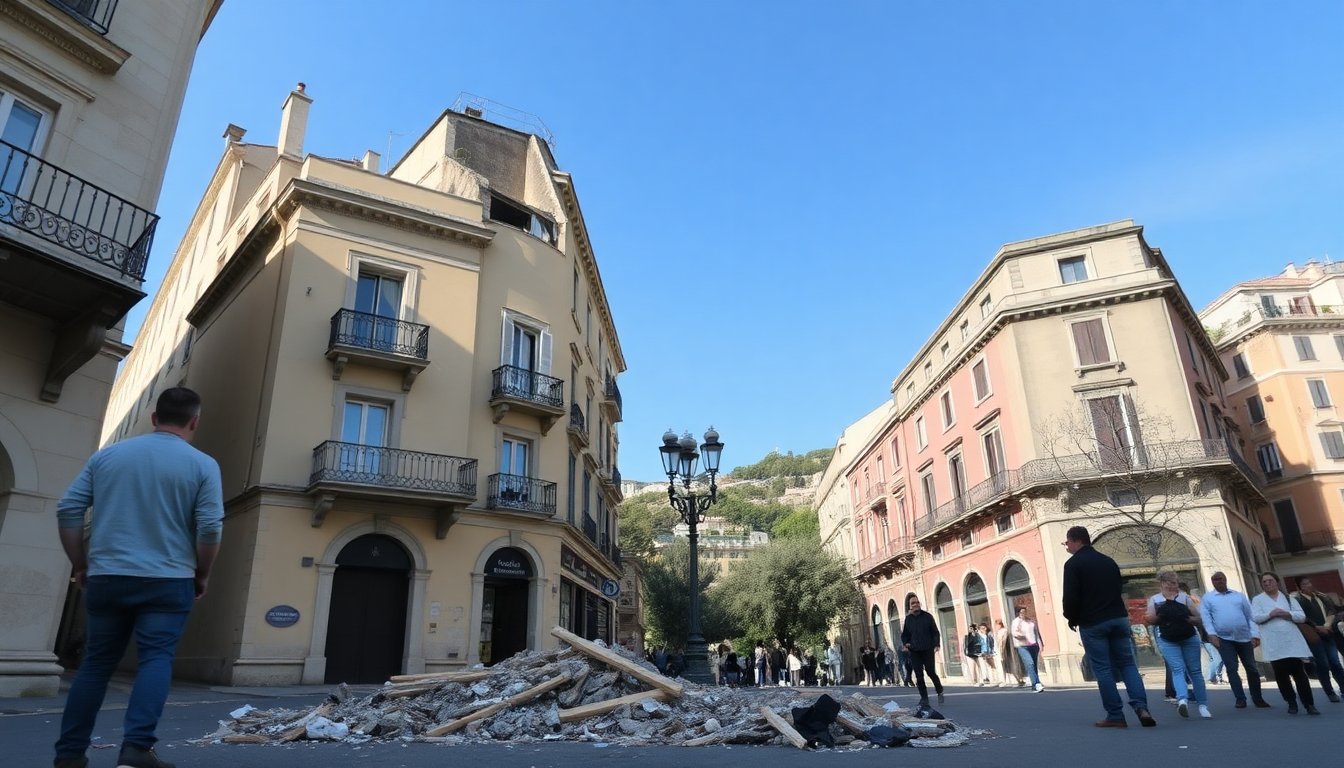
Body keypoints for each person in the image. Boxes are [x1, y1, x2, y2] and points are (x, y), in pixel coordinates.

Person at [53, 388, 225, 768]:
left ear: (153, 418)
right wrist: (202, 573)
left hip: (107, 576)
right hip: (169, 579)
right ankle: (135, 750)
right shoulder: (202, 464)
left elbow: (68, 509)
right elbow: (210, 527)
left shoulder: (108, 457)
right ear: (194, 421)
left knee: (96, 664)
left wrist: (79, 564)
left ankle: (68, 755)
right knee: (155, 660)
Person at [1061, 525, 1155, 728]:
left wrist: (1071, 618)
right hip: (1119, 618)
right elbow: (1119, 588)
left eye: (1067, 542)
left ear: (1076, 541)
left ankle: (1115, 715)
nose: (1066, 546)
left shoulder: (1073, 565)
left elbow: (1070, 598)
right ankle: (1142, 707)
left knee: (1103, 668)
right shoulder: (1108, 561)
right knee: (1128, 665)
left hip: (1093, 622)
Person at [1199, 571, 1270, 709]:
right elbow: (1206, 619)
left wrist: (1255, 634)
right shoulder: (1208, 598)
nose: (1218, 581)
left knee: (1252, 668)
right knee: (1232, 669)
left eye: (1220, 579)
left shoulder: (1239, 596)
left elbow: (1251, 616)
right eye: (1214, 580)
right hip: (1224, 639)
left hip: (1244, 638)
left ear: (1225, 579)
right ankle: (1240, 698)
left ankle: (1258, 698)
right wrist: (1212, 634)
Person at [1251, 572, 1318, 715]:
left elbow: (1301, 616)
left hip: (1292, 641)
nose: (1267, 583)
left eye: (1270, 580)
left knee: (1299, 673)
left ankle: (1309, 704)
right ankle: (1291, 702)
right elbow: (1256, 618)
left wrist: (1287, 614)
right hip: (1274, 642)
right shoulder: (1258, 600)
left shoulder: (1288, 598)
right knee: (1281, 675)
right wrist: (1271, 614)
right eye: (1264, 582)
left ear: (1277, 582)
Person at [1145, 571, 1210, 719]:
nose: (1174, 586)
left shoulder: (1184, 597)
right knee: (1177, 669)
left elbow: (1198, 618)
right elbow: (1150, 619)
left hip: (1189, 637)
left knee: (1195, 671)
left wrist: (1187, 617)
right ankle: (1182, 700)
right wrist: (1162, 615)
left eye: (1175, 583)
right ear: (1163, 583)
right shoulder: (1155, 599)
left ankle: (1202, 704)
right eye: (1171, 583)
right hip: (1168, 638)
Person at [1291, 577, 1344, 703]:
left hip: (1328, 633)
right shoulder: (1297, 600)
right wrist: (1316, 627)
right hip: (1313, 636)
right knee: (1323, 664)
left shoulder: (1321, 597)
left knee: (1335, 662)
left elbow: (1331, 610)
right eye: (1304, 584)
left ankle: (1343, 689)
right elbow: (1302, 617)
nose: (1308, 585)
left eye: (1309, 582)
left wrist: (1327, 625)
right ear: (1300, 587)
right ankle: (1329, 691)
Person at [900, 595, 944, 705]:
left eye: (917, 602)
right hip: (914, 650)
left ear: (920, 604)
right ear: (910, 606)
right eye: (913, 603)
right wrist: (906, 643)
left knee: (930, 672)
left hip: (927, 648)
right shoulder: (908, 619)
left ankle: (939, 690)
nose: (915, 605)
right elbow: (905, 634)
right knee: (919, 674)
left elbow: (935, 632)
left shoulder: (928, 617)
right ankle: (924, 698)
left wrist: (936, 644)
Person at [1010, 607, 1045, 692]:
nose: (1023, 614)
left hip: (1034, 645)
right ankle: (1035, 684)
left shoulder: (1030, 621)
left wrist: (1040, 643)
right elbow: (1014, 633)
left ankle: (1037, 682)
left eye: (1025, 612)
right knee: (1030, 663)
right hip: (1022, 646)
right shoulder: (1016, 622)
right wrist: (1022, 636)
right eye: (1021, 612)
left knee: (1034, 665)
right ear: (1018, 613)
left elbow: (1036, 633)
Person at [994, 618, 1026, 686]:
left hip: (1007, 651)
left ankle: (1019, 680)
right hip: (1005, 650)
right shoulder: (1000, 632)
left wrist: (1001, 651)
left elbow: (1002, 642)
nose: (996, 626)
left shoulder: (1004, 631)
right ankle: (1017, 680)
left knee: (1012, 665)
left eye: (997, 624)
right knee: (1008, 666)